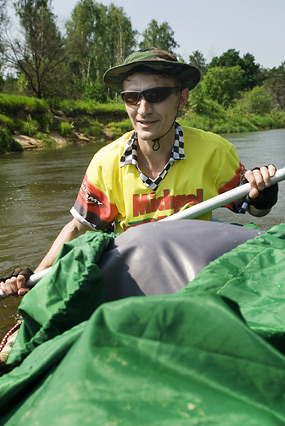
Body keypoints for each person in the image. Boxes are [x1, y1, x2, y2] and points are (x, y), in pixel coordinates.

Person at [0, 48, 278, 297]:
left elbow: (254, 210)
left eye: (156, 96)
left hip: (194, 271)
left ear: (182, 99)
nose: (143, 109)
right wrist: (33, 276)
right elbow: (79, 228)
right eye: (132, 98)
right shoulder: (105, 163)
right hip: (133, 277)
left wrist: (262, 194)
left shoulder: (215, 152)